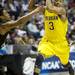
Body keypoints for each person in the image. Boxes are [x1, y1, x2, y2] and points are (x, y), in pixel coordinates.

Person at [28, 0, 74, 75]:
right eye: (57, 1)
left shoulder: (62, 11)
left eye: (60, 2)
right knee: (39, 57)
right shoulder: (46, 9)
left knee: (65, 64)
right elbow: (30, 7)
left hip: (61, 44)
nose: (58, 3)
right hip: (48, 42)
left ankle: (69, 67)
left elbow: (50, 8)